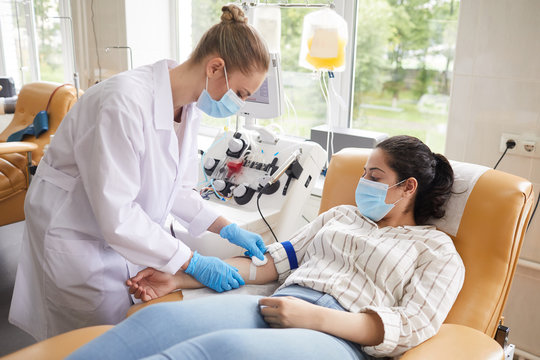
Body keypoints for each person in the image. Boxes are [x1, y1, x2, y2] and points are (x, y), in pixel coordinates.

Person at [67, 135, 466, 360]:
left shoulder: (436, 250)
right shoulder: (341, 216)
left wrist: (314, 318)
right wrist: (179, 278)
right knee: (152, 323)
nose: (363, 182)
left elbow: (411, 325)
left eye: (375, 176)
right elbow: (270, 264)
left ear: (407, 187)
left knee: (223, 353)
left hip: (339, 338)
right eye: (363, 173)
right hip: (279, 304)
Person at [9, 5, 270, 341]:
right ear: (216, 67)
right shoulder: (123, 102)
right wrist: (193, 263)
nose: (239, 104)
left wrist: (228, 228)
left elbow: (179, 189)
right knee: (87, 341)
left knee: (119, 331)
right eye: (241, 94)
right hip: (75, 233)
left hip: (111, 235)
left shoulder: (189, 107)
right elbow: (117, 214)